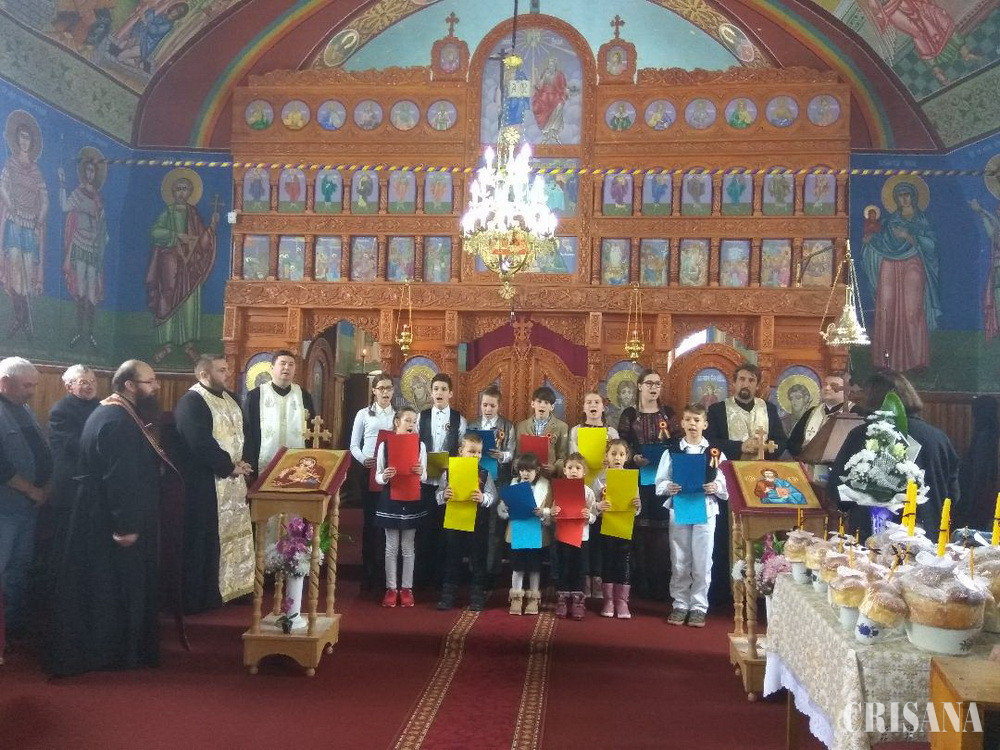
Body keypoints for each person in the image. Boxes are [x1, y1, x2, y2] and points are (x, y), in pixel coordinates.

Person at [45, 360, 182, 676]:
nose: (157, 386)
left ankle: (119, 649)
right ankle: (116, 651)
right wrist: (127, 526)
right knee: (113, 587)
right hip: (110, 521)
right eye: (150, 381)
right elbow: (121, 478)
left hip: (103, 513)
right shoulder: (117, 420)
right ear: (130, 385)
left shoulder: (116, 412)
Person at [827, 370, 959, 539]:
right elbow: (953, 493)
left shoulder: (862, 436)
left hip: (873, 536)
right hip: (928, 534)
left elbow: (837, 490)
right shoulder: (938, 438)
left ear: (871, 399)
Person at [172, 354, 254, 614]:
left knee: (236, 534)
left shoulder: (231, 398)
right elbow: (197, 441)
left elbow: (245, 433)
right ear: (203, 374)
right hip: (206, 483)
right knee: (206, 538)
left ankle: (236, 588)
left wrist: (244, 462)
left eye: (227, 369)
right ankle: (206, 594)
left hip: (234, 481)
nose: (227, 374)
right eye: (221, 370)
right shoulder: (191, 402)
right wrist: (227, 466)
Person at [655, 403, 728, 628]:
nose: (692, 424)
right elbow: (660, 482)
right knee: (679, 558)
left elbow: (725, 482)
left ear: (705, 424)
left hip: (705, 509)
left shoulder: (714, 452)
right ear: (682, 423)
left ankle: (698, 606)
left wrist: (716, 487)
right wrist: (669, 486)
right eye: (688, 419)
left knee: (703, 560)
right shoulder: (672, 451)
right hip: (680, 507)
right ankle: (680, 603)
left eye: (697, 420)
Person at [861, 180, 940, 372]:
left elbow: (931, 245)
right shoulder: (890, 221)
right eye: (900, 195)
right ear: (896, 199)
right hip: (889, 265)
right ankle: (885, 362)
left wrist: (909, 236)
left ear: (914, 197)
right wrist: (870, 240)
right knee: (886, 310)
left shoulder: (921, 221)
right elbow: (881, 240)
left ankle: (916, 361)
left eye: (907, 195)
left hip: (912, 263)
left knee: (912, 311)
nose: (904, 199)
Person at [0, 357, 51, 648]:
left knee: (20, 568)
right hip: (5, 508)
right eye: (26, 386)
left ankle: (13, 627)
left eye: (34, 385)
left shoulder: (24, 409)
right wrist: (31, 489)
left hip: (28, 507)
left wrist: (45, 487)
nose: (32, 391)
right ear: (4, 383)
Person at [145, 169, 218, 361]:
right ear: (173, 191)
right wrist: (176, 236)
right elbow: (155, 232)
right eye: (178, 188)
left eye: (185, 189)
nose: (181, 192)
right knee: (167, 298)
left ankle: (188, 344)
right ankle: (166, 344)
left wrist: (211, 228)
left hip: (189, 266)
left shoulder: (193, 214)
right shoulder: (167, 213)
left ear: (190, 192)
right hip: (169, 264)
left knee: (189, 301)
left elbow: (201, 242)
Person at [617, 368, 676, 601]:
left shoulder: (668, 413)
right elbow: (622, 443)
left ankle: (660, 582)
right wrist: (634, 457)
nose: (654, 387)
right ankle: (639, 583)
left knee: (661, 531)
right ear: (640, 386)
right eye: (649, 383)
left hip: (662, 477)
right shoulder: (630, 414)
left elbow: (677, 441)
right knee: (639, 529)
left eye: (657, 384)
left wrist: (666, 455)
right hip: (637, 476)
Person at [40, 365, 98, 591]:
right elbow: (74, 445)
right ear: (69, 386)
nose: (89, 386)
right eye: (83, 382)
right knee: (67, 540)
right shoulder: (61, 410)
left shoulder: (101, 406)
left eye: (92, 381)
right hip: (70, 487)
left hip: (91, 483)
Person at [1, 112, 48, 341]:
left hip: (30, 225)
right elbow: (2, 187)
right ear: (16, 139)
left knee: (28, 273)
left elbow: (45, 200)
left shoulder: (37, 171)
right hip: (14, 222)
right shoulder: (10, 164)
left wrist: (39, 219)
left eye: (28, 138)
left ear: (32, 142)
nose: (24, 141)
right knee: (15, 271)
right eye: (21, 137)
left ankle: (24, 318)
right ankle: (20, 317)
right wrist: (11, 207)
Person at [436, 432, 496, 611]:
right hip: (454, 520)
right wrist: (444, 495)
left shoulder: (485, 473)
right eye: (471, 451)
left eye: (479, 452)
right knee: (452, 557)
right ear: (461, 451)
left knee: (478, 558)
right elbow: (438, 494)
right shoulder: (448, 472)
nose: (476, 455)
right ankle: (448, 594)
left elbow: (493, 496)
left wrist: (483, 498)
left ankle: (477, 595)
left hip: (477, 522)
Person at [416, 373, 466, 586]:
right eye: (436, 389)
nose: (439, 393)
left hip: (448, 483)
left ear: (450, 393)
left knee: (446, 533)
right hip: (426, 482)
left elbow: (462, 450)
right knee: (425, 529)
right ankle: (423, 577)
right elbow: (415, 444)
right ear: (431, 392)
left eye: (444, 389)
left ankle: (442, 578)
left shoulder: (458, 419)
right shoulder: (422, 417)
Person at [375, 407, 427, 608]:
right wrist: (385, 475)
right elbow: (378, 475)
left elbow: (424, 476)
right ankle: (391, 588)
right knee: (391, 546)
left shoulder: (420, 445)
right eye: (408, 420)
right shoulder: (385, 445)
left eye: (414, 421)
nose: (411, 425)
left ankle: (406, 588)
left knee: (408, 546)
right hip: (391, 497)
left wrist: (420, 472)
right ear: (397, 422)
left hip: (411, 497)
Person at [569, 390, 619, 599]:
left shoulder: (611, 432)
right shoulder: (576, 431)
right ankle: (584, 579)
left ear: (603, 407)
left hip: (605, 486)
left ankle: (598, 578)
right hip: (582, 487)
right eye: (588, 402)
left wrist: (610, 460)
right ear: (583, 407)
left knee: (600, 537)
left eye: (597, 402)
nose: (593, 405)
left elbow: (618, 455)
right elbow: (572, 457)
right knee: (583, 536)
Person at [349, 374, 395, 591]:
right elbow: (353, 445)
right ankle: (368, 573)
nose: (385, 392)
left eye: (389, 388)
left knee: (388, 522)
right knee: (371, 522)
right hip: (369, 470)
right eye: (381, 388)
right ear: (374, 391)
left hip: (390, 473)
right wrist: (363, 459)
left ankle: (385, 573)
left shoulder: (397, 415)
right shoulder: (363, 414)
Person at [467, 384, 516, 586]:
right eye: (485, 405)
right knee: (476, 526)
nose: (487, 409)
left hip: (499, 480)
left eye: (492, 406)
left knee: (495, 528)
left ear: (499, 406)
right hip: (476, 479)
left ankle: (491, 572)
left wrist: (501, 455)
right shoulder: (473, 424)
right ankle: (474, 571)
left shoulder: (507, 426)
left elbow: (512, 452)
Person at [58, 148, 107, 348]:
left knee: (91, 291)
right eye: (87, 170)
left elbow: (102, 222)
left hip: (93, 245)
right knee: (80, 288)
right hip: (80, 242)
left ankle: (91, 333)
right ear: (83, 172)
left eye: (93, 171)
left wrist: (103, 233)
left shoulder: (98, 197)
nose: (90, 174)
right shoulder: (78, 193)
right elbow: (64, 206)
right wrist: (62, 183)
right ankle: (79, 331)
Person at [242, 350, 315, 476]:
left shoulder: (303, 396)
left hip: (297, 463)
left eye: (291, 364)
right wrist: (249, 461)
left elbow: (312, 428)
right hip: (261, 461)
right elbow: (247, 430)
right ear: (272, 368)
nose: (287, 367)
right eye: (283, 363)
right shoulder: (256, 396)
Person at [498, 453, 552, 616]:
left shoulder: (546, 486)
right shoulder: (514, 484)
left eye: (529, 470)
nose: (525, 474)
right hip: (518, 531)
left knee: (535, 566)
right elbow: (503, 506)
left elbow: (551, 509)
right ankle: (516, 596)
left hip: (536, 531)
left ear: (537, 470)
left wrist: (543, 512)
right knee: (517, 565)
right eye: (522, 470)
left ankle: (534, 597)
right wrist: (504, 508)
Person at [592, 439, 641, 618]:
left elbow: (637, 506)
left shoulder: (630, 478)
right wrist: (599, 506)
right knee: (608, 559)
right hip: (606, 524)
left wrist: (637, 505)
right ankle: (608, 600)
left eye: (621, 454)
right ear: (607, 456)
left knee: (624, 560)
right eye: (613, 454)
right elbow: (592, 503)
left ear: (626, 457)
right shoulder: (600, 479)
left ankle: (622, 601)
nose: (617, 458)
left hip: (624, 525)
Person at [705, 363, 787, 461]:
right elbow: (710, 441)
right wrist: (740, 447)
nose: (746, 384)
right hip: (730, 465)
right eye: (742, 379)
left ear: (757, 386)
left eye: (751, 380)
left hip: (763, 466)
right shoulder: (717, 410)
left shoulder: (769, 409)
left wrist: (763, 448)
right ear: (734, 383)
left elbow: (781, 441)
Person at [552, 453, 597, 621]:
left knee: (579, 568)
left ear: (584, 472)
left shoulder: (588, 492)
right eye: (570, 467)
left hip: (581, 537)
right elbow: (553, 513)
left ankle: (578, 601)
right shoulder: (559, 490)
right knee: (563, 566)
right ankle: (562, 599)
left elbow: (594, 515)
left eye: (578, 468)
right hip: (563, 535)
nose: (573, 471)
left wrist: (588, 515)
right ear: (564, 470)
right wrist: (554, 512)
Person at [787, 371, 852, 457]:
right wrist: (804, 456)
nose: (827, 388)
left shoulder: (856, 412)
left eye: (833, 385)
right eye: (825, 384)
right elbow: (793, 442)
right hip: (808, 462)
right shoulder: (811, 413)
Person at [514, 386, 569, 477]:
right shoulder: (522, 426)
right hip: (526, 475)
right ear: (532, 404)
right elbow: (518, 454)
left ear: (552, 407)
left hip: (548, 476)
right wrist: (518, 467)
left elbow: (562, 456)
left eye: (546, 403)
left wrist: (555, 468)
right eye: (539, 401)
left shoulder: (562, 427)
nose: (542, 405)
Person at [531, 56, 569, 143]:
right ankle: (546, 133)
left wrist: (566, 92)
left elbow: (563, 87)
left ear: (555, 66)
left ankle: (554, 132)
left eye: (552, 65)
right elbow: (540, 86)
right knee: (538, 107)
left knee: (559, 105)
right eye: (549, 65)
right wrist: (536, 74)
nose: (551, 66)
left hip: (555, 95)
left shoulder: (559, 75)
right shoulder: (546, 73)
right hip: (544, 96)